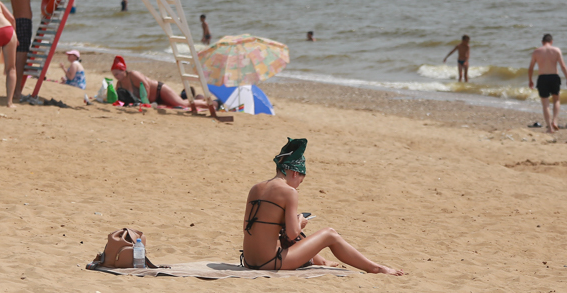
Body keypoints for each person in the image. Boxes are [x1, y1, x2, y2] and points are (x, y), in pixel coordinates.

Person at [241, 138, 404, 274]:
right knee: (330, 234)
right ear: (295, 173)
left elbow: (249, 228)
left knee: (289, 233)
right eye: (300, 182)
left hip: (249, 261)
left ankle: (323, 261)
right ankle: (376, 268)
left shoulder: (256, 187)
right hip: (271, 262)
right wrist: (300, 222)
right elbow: (292, 234)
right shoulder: (289, 192)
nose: (298, 186)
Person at [10, 0, 73, 101]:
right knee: (21, 58)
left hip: (16, 21)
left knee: (18, 57)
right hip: (24, 22)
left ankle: (14, 91)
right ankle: (16, 93)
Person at [110, 55, 206, 109]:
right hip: (155, 100)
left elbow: (146, 85)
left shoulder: (133, 75)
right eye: (114, 75)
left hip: (159, 90)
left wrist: (145, 102)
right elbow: (117, 98)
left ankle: (207, 103)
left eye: (117, 74)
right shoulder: (120, 84)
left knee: (181, 104)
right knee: (176, 103)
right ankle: (196, 97)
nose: (116, 77)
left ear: (123, 71)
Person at [528, 34, 567, 134]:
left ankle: (549, 128)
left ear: (542, 42)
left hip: (542, 77)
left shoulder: (537, 51)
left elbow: (531, 68)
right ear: (551, 41)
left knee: (545, 103)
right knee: (556, 99)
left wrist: (530, 80)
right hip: (554, 77)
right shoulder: (556, 50)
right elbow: (563, 66)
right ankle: (554, 121)